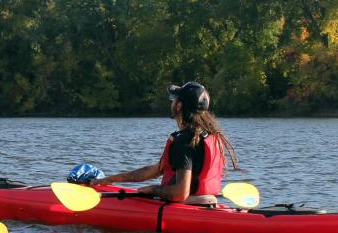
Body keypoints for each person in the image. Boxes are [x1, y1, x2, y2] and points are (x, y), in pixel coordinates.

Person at [91, 82, 239, 205]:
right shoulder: (209, 136)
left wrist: (153, 190)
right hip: (206, 203)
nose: (172, 103)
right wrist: (108, 180)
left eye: (173, 99)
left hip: (186, 206)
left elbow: (181, 192)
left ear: (180, 106)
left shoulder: (184, 141)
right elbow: (155, 170)